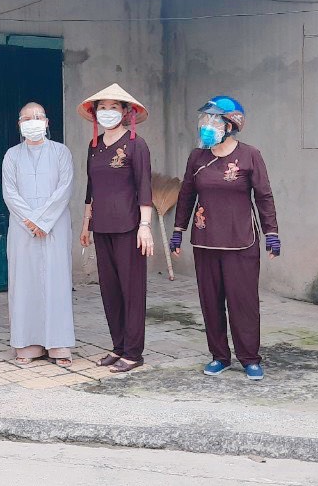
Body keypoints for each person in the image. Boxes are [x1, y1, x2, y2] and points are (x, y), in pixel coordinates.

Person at [170, 96, 279, 381]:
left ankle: (249, 357)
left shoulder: (249, 155)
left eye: (214, 120)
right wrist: (178, 231)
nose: (207, 126)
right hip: (205, 241)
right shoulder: (197, 156)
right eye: (204, 120)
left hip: (241, 240)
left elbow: (264, 196)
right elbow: (186, 195)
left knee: (243, 302)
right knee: (211, 301)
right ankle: (219, 356)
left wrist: (272, 234)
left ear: (231, 125)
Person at [78, 84, 154, 374]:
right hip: (102, 227)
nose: (107, 112)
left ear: (126, 112)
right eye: (102, 107)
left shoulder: (137, 144)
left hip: (130, 227)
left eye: (114, 107)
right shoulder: (94, 145)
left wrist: (144, 227)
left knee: (131, 290)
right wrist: (86, 223)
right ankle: (118, 346)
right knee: (110, 291)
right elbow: (91, 188)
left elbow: (144, 188)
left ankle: (134, 352)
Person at [2, 102, 76, 367]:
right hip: (23, 229)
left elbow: (64, 188)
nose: (33, 121)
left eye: (38, 117)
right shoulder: (11, 155)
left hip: (54, 227)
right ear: (20, 125)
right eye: (26, 118)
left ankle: (59, 343)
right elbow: (9, 193)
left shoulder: (61, 152)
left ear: (47, 122)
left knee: (57, 282)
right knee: (24, 283)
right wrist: (32, 221)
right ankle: (27, 342)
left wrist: (43, 221)